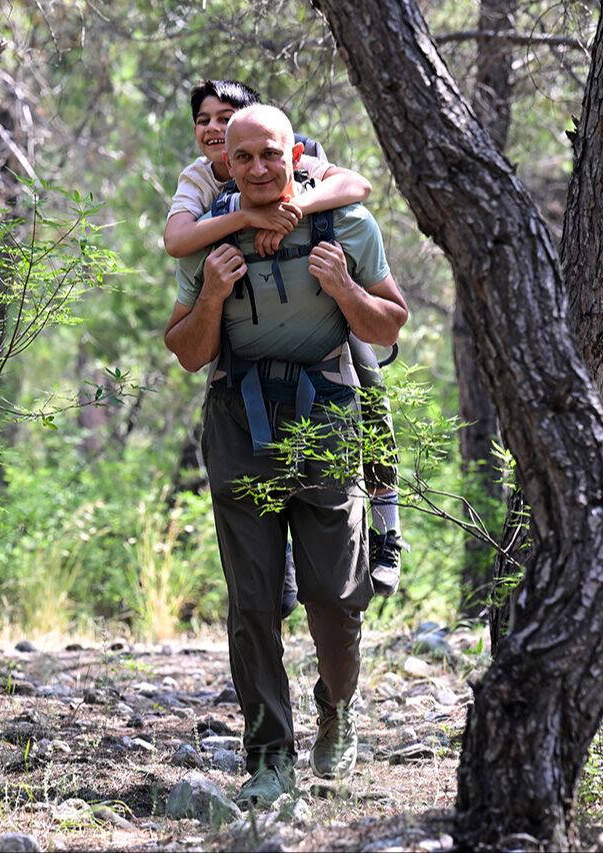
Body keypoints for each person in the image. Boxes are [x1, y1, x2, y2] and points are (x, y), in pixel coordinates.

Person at [163, 104, 408, 807]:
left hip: (327, 413)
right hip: (238, 420)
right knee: (254, 602)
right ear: (228, 166)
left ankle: (335, 705)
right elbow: (186, 352)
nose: (261, 169)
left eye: (272, 154)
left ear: (293, 153)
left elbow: (390, 322)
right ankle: (269, 754)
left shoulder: (345, 225)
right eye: (246, 159)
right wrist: (212, 292)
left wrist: (343, 287)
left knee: (336, 595)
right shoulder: (210, 241)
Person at [166, 80, 405, 600]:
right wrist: (248, 217)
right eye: (204, 119)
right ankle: (285, 556)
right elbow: (177, 240)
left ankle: (386, 523)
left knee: (367, 382)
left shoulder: (299, 157)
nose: (213, 126)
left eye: (225, 116)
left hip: (323, 328)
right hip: (245, 335)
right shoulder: (200, 178)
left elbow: (356, 187)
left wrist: (294, 206)